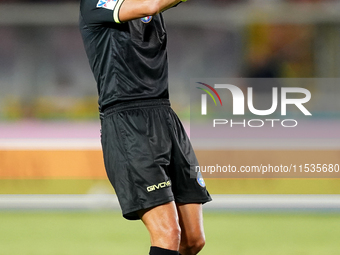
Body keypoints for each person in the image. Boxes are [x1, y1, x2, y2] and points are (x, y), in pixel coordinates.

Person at [79, 1, 211, 254]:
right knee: (168, 234)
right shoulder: (95, 3)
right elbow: (150, 6)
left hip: (164, 115)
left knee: (193, 240)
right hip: (128, 122)